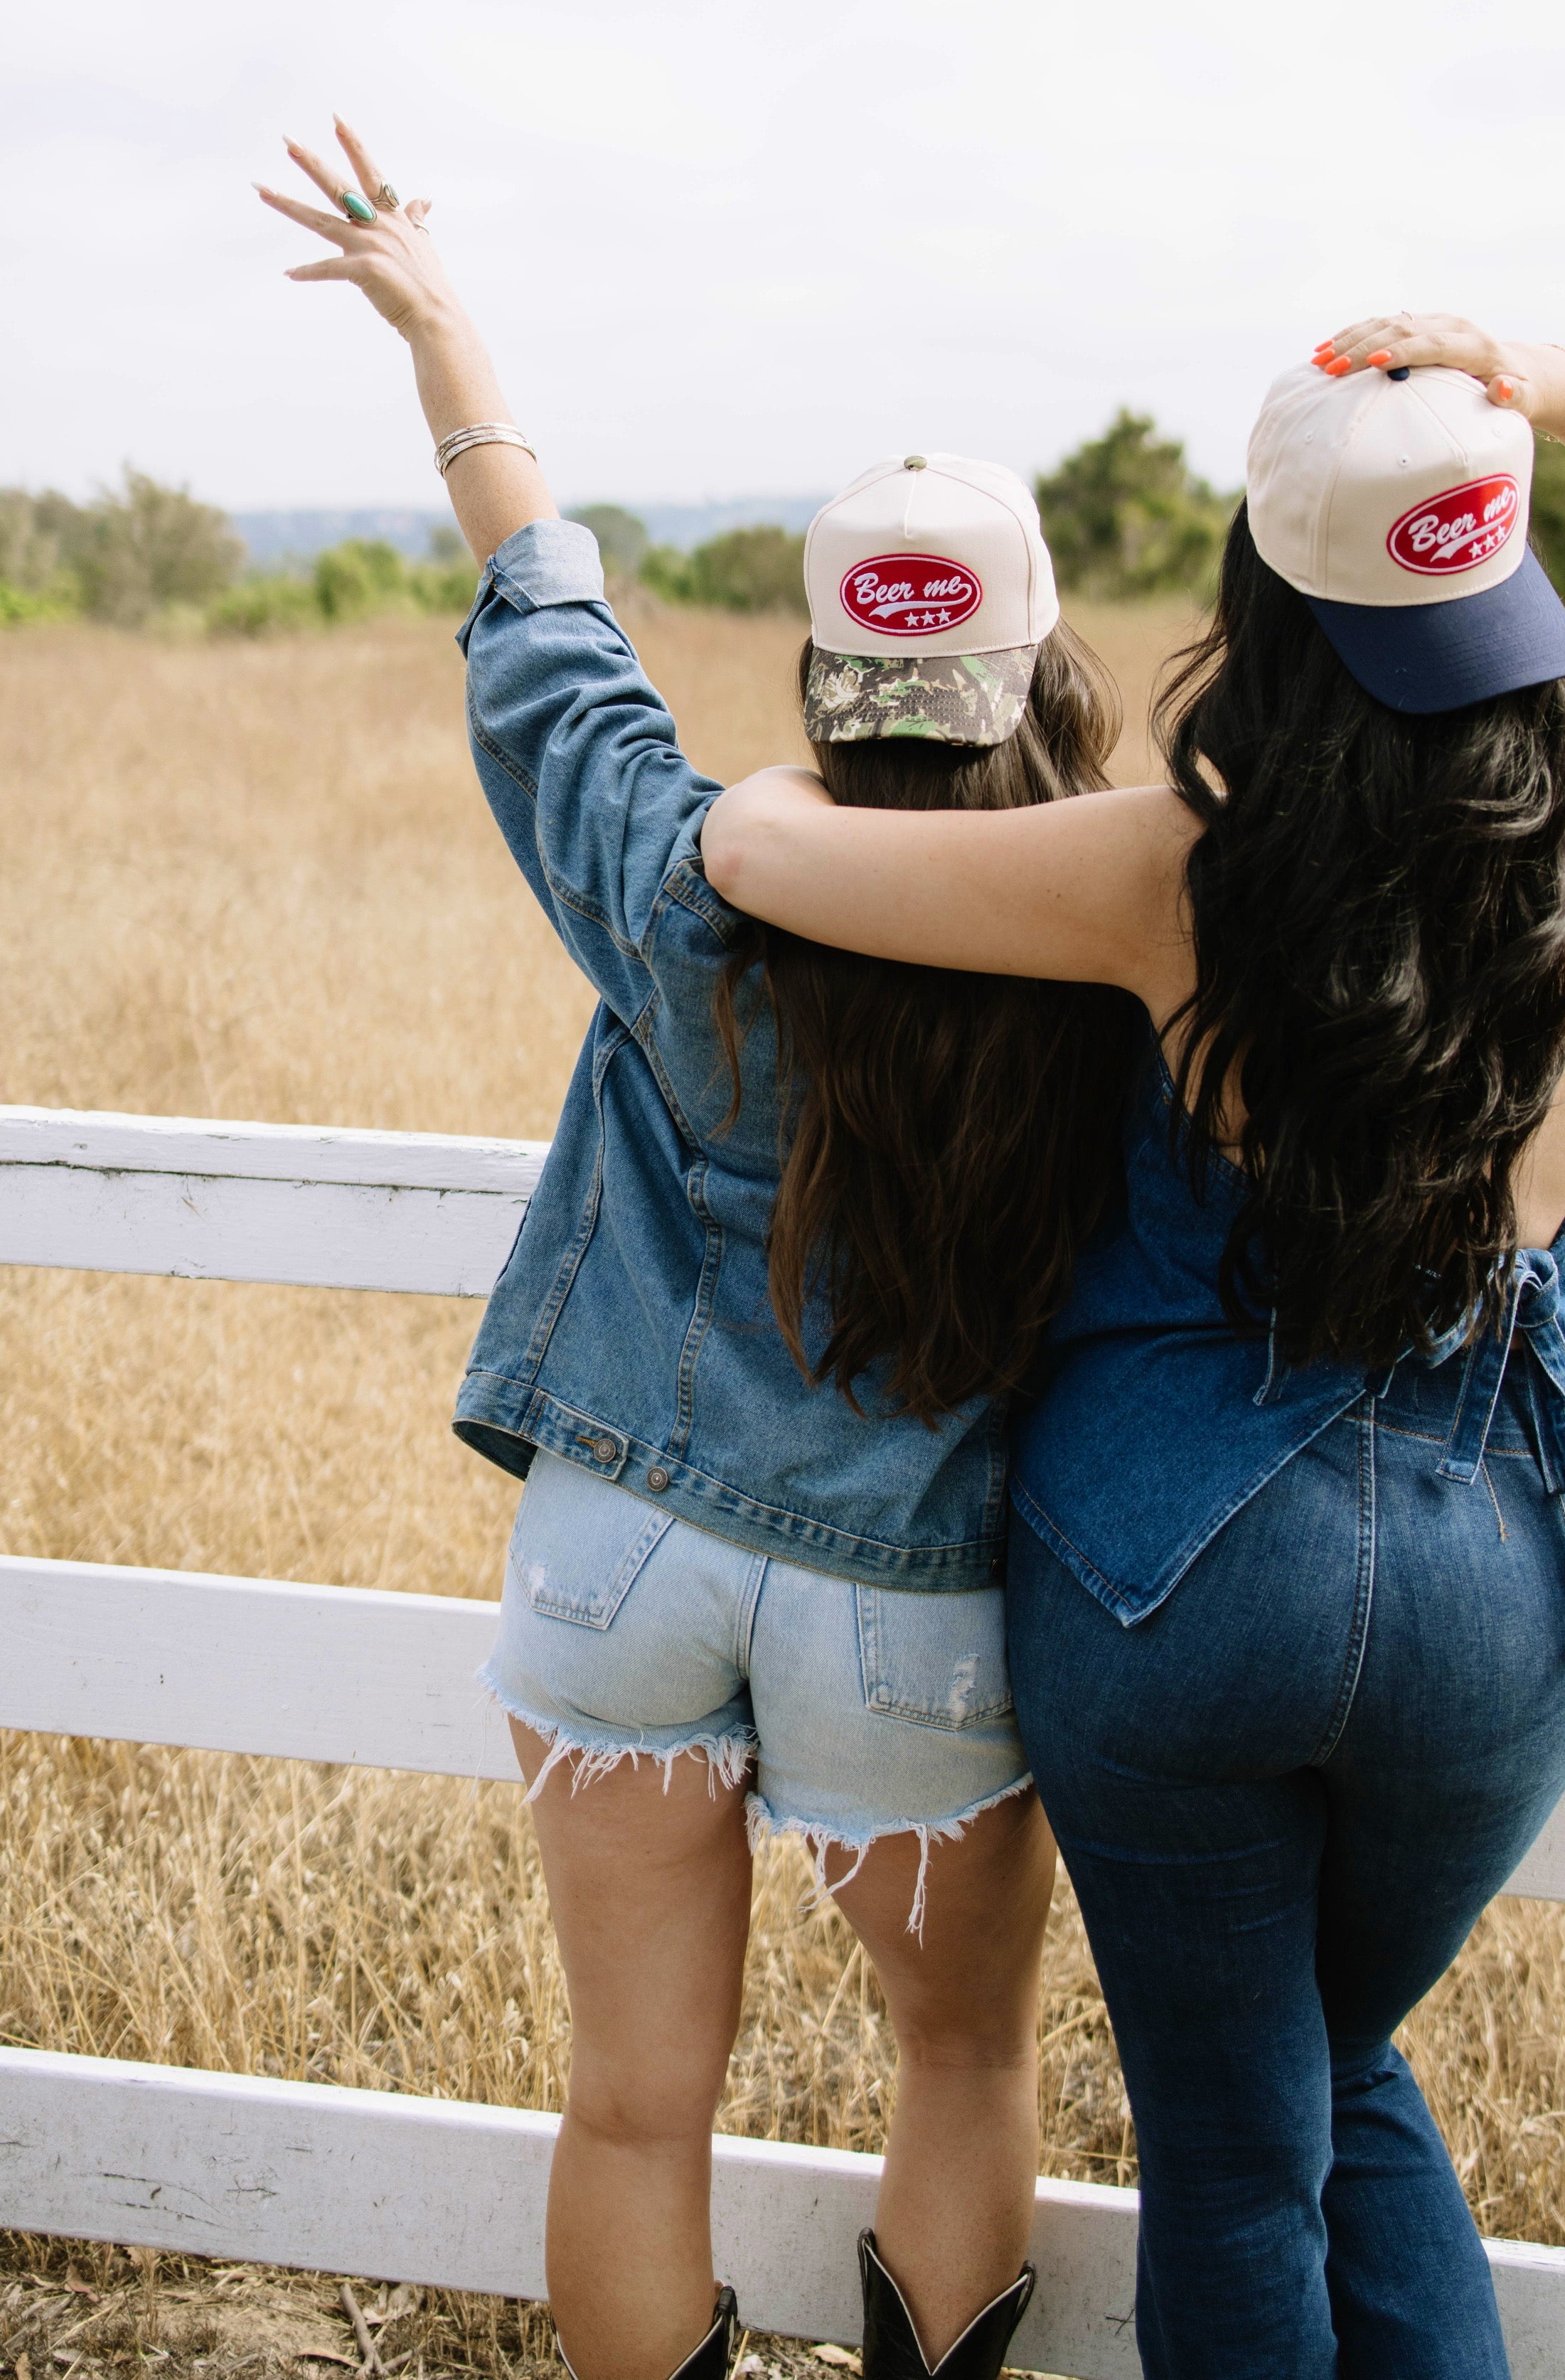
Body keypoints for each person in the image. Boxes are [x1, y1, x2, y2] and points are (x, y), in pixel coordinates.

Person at [703, 315, 1565, 2377]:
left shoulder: (1170, 871)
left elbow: (760, 855)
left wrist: (759, 765)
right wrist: (1513, 366)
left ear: (1254, 610)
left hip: (1174, 1574)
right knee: (1331, 2078)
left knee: (1243, 2145)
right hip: (1498, 1571)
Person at [256, 123, 1145, 2380]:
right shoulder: (1116, 938)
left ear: (827, 670)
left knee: (636, 2108)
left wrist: (446, 325)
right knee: (960, 2067)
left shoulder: (684, 875)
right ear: (1038, 668)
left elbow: (549, 640)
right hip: (915, 1596)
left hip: (618, 1555)